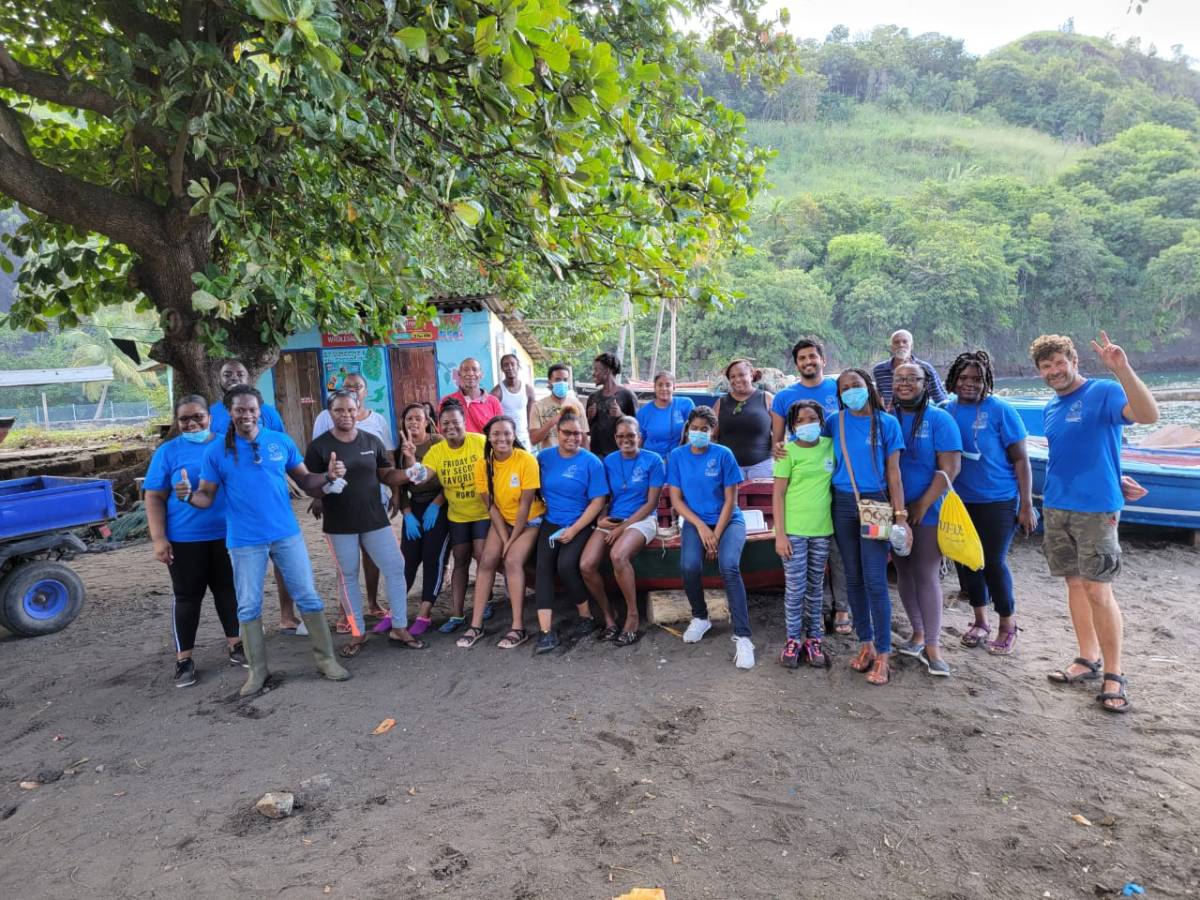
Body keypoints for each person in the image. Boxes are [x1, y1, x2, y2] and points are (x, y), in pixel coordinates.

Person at [180, 386, 350, 695]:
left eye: (251, 409)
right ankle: (257, 672)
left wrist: (327, 477)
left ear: (260, 411)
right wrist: (189, 496)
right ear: (230, 413)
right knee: (248, 606)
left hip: (286, 534)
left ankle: (326, 661)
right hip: (244, 540)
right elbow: (206, 496)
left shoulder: (279, 442)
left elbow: (306, 482)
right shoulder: (216, 452)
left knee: (308, 597)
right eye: (239, 410)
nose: (246, 414)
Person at [1034, 333, 1158, 714]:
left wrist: (1122, 370)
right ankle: (1088, 659)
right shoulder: (1052, 408)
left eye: (1060, 362)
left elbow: (1148, 415)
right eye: (1046, 366)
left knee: (1098, 590)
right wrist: (1117, 474)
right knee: (1074, 582)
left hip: (1095, 510)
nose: (1055, 371)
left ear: (1074, 360)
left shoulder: (1103, 391)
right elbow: (1077, 453)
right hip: (1057, 505)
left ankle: (1115, 673)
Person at [304, 390, 425, 657]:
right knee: (348, 576)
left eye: (350, 409)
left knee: (395, 568)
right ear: (329, 413)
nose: (346, 415)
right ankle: (357, 632)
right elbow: (310, 485)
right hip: (339, 523)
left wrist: (409, 472)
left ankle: (400, 627)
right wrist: (327, 479)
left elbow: (386, 474)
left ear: (358, 409)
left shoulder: (371, 440)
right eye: (339, 410)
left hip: (374, 519)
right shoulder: (319, 447)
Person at [145, 396, 243, 688]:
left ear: (209, 417)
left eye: (198, 417)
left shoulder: (228, 445)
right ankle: (184, 660)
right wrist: (159, 539)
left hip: (228, 535)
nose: (192, 423)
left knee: (228, 590)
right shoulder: (168, 452)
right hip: (185, 539)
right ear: (177, 422)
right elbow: (154, 496)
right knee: (187, 597)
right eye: (185, 419)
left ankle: (237, 645)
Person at [944, 350, 1037, 656]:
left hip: (999, 500)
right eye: (964, 378)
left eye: (977, 379)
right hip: (961, 501)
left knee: (993, 563)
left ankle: (1007, 625)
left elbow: (1022, 460)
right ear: (954, 380)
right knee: (968, 559)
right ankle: (980, 621)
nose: (969, 384)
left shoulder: (1001, 411)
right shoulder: (947, 410)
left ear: (987, 381)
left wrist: (1026, 505)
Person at [826, 369, 906, 686]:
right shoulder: (835, 422)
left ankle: (884, 654)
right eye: (844, 388)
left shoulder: (887, 423)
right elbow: (809, 447)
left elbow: (895, 473)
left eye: (856, 385)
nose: (851, 392)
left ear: (868, 387)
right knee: (852, 576)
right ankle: (866, 644)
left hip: (875, 504)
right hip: (842, 503)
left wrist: (900, 515)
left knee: (875, 578)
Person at [769, 338, 850, 636]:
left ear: (823, 359)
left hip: (835, 482)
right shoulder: (784, 397)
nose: (808, 362)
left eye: (813, 356)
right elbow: (778, 440)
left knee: (836, 553)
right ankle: (818, 613)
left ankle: (841, 606)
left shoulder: (837, 389)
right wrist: (778, 451)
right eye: (802, 358)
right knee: (807, 567)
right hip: (803, 493)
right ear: (796, 364)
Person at [667, 406, 755, 669]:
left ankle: (743, 636)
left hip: (728, 521)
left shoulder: (723, 454)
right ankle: (700, 617)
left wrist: (715, 534)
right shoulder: (677, 456)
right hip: (695, 520)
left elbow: (731, 500)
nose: (698, 433)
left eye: (703, 429)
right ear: (687, 430)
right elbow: (676, 500)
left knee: (729, 566)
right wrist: (703, 529)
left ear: (713, 431)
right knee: (689, 565)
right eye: (693, 428)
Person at [890, 363, 962, 677]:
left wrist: (922, 504)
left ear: (925, 383)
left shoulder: (939, 419)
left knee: (926, 572)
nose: (905, 384)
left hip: (928, 509)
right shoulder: (887, 418)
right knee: (903, 571)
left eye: (912, 379)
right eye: (899, 379)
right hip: (893, 510)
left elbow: (950, 467)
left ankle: (933, 645)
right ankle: (917, 633)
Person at [456, 415, 546, 650]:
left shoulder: (526, 460)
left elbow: (526, 506)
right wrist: (505, 538)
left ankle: (518, 627)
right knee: (486, 561)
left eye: (507, 433)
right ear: (489, 437)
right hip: (503, 520)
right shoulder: (482, 465)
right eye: (496, 434)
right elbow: (490, 506)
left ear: (514, 435)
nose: (501, 438)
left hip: (529, 521)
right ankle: (476, 624)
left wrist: (511, 541)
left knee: (513, 561)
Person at [311, 371, 393, 625]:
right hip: (339, 501)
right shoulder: (326, 418)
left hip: (373, 498)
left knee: (372, 554)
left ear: (365, 393)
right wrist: (318, 496)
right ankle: (345, 610)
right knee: (346, 561)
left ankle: (372, 602)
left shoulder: (377, 421)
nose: (353, 390)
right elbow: (316, 462)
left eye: (358, 387)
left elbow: (387, 459)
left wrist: (393, 493)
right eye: (348, 386)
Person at [580, 416, 665, 645]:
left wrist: (623, 528)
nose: (626, 440)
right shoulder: (609, 461)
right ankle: (609, 615)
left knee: (617, 555)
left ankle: (633, 615)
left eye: (631, 435)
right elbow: (606, 496)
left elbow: (651, 504)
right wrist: (601, 519)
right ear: (615, 438)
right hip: (614, 519)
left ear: (640, 437)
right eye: (620, 436)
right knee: (586, 565)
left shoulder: (653, 460)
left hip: (642, 519)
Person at [532, 412, 609, 654]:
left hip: (581, 522)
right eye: (567, 432)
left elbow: (598, 501)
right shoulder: (543, 458)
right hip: (551, 522)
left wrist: (575, 529)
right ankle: (545, 632)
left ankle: (586, 616)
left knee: (566, 565)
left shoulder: (591, 462)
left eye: (577, 433)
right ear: (558, 434)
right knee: (543, 568)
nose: (572, 438)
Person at [771, 400, 834, 669]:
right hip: (794, 532)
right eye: (800, 421)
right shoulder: (787, 452)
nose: (807, 425)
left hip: (822, 530)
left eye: (812, 419)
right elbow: (778, 494)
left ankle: (814, 639)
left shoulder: (830, 447)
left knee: (815, 588)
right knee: (795, 589)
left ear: (821, 421)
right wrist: (780, 535)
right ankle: (793, 640)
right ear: (793, 426)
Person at [419, 401, 491, 632]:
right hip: (457, 514)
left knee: (481, 554)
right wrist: (412, 463)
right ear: (439, 426)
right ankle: (457, 614)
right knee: (460, 558)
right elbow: (423, 475)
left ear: (464, 423)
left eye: (455, 422)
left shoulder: (479, 442)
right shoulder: (437, 451)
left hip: (483, 511)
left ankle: (484, 602)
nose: (450, 427)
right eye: (445, 423)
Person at [388, 402, 449, 637]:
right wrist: (407, 513)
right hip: (414, 508)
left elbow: (449, 478)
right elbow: (401, 486)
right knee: (408, 560)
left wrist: (436, 504)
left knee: (433, 557)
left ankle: (424, 612)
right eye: (408, 419)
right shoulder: (400, 450)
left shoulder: (438, 442)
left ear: (427, 421)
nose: (413, 422)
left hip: (439, 505)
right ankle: (395, 612)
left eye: (417, 418)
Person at [713, 359, 775, 480]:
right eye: (732, 377)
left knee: (761, 499)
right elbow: (711, 435)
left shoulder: (767, 398)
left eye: (741, 375)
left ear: (751, 375)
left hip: (762, 468)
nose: (737, 380)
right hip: (729, 468)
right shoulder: (721, 403)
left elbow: (780, 433)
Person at [871, 330, 948, 410]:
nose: (901, 345)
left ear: (911, 346)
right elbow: (879, 398)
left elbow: (940, 400)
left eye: (905, 342)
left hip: (920, 417)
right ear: (891, 347)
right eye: (896, 342)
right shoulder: (879, 370)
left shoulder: (926, 368)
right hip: (890, 417)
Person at [208, 359, 286, 435]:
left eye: (240, 375)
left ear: (247, 379)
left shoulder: (267, 411)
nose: (234, 378)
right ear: (219, 381)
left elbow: (281, 442)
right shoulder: (211, 413)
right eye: (227, 375)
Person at [585, 352, 637, 457]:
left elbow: (636, 427)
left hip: (620, 454)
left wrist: (620, 415)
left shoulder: (627, 395)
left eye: (596, 369)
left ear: (607, 371)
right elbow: (587, 429)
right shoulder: (593, 397)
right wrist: (590, 417)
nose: (593, 373)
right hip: (596, 455)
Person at [636, 371, 694, 460]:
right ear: (654, 388)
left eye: (668, 385)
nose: (664, 388)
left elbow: (695, 429)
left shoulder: (686, 404)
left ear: (674, 387)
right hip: (653, 459)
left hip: (679, 457)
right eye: (660, 385)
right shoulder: (644, 412)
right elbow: (639, 439)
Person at [529, 363, 588, 449]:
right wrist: (553, 421)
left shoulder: (577, 405)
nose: (562, 383)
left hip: (573, 457)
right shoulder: (538, 406)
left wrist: (587, 459)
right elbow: (534, 440)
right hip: (549, 458)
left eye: (565, 380)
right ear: (550, 382)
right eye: (557, 379)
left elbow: (584, 438)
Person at [441, 357, 503, 433]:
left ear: (481, 374)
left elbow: (500, 430)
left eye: (474, 370)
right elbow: (442, 431)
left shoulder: (493, 402)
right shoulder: (447, 401)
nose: (470, 373)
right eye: (466, 370)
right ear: (459, 374)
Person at [492, 353, 535, 449]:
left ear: (518, 366)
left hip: (524, 439)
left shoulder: (528, 390)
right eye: (505, 365)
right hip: (506, 440)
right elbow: (493, 419)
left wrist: (531, 436)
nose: (509, 367)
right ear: (502, 369)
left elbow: (531, 417)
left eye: (512, 364)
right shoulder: (497, 392)